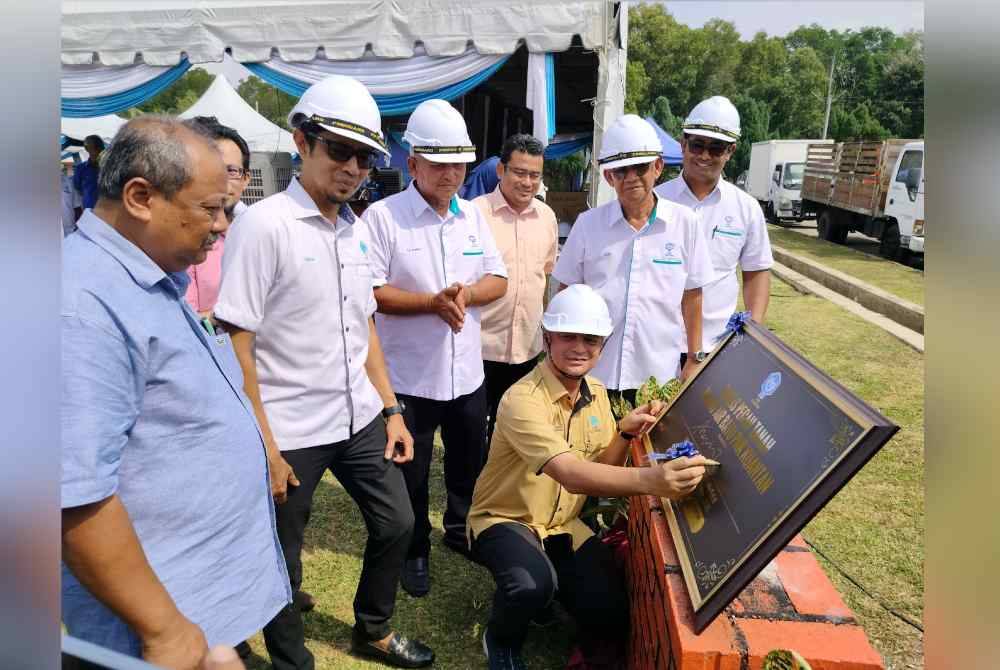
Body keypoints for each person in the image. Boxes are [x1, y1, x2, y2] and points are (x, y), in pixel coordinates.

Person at [214, 75, 434, 670]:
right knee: (282, 555)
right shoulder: (263, 227)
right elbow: (238, 339)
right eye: (339, 149)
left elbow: (363, 327)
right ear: (301, 142)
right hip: (289, 426)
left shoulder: (356, 232)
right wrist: (264, 443)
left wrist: (391, 409)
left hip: (359, 415)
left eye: (364, 157)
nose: (353, 167)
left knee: (399, 522)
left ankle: (374, 629)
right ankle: (292, 661)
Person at [61, 116, 291, 669]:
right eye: (210, 209)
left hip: (188, 608)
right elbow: (72, 493)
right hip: (149, 629)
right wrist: (164, 629)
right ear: (140, 197)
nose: (221, 226)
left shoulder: (146, 275)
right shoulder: (80, 307)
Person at [468, 284, 709, 670]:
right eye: (567, 336)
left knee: (609, 610)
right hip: (506, 519)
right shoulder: (521, 400)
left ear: (603, 345)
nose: (579, 347)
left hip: (563, 524)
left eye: (591, 339)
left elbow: (603, 467)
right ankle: (501, 638)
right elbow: (571, 475)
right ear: (547, 338)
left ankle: (549, 594)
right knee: (530, 585)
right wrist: (652, 481)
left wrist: (625, 432)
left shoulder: (596, 392)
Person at [363, 99, 508, 596]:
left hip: (466, 374)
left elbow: (498, 278)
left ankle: (459, 529)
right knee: (413, 473)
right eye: (439, 162)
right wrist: (431, 302)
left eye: (458, 163)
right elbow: (371, 293)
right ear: (413, 164)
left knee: (469, 461)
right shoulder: (383, 218)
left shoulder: (471, 216)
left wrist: (465, 294)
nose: (451, 173)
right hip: (411, 377)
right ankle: (415, 548)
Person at [552, 115, 713, 405]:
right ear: (608, 176)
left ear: (658, 168)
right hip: (594, 374)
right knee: (595, 451)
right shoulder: (588, 225)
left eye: (640, 168)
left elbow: (692, 296)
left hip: (657, 377)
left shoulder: (685, 224)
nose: (631, 178)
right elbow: (567, 292)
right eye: (621, 170)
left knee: (648, 451)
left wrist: (694, 357)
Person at [654, 96, 773, 352]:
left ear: (730, 151)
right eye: (697, 145)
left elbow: (757, 272)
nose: (705, 156)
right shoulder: (656, 201)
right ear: (683, 143)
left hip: (716, 346)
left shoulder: (746, 208)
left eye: (716, 148)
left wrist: (754, 332)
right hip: (658, 342)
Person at [472, 134, 558, 447]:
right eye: (519, 172)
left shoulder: (547, 217)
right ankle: (473, 490)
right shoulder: (474, 215)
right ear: (500, 171)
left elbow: (544, 276)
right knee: (473, 432)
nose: (527, 182)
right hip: (480, 347)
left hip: (527, 348)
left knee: (513, 430)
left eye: (534, 175)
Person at [184, 116, 252, 318]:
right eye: (214, 170)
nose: (221, 180)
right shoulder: (185, 236)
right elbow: (187, 318)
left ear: (245, 179)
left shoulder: (262, 228)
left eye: (231, 171)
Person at [73, 135, 104, 221]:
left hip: (109, 211)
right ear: (87, 148)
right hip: (90, 212)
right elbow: (77, 189)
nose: (98, 149)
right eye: (95, 146)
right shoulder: (80, 168)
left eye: (99, 146)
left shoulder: (110, 166)